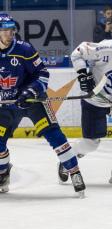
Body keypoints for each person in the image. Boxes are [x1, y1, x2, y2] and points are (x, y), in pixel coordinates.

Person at [0, 13, 85, 196]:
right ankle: (3, 171)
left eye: (11, 30)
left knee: (56, 136)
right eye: (5, 30)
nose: (9, 34)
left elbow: (43, 74)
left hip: (32, 102)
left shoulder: (24, 49)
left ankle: (75, 172)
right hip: (5, 106)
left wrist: (30, 90)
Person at [60, 20, 112, 184]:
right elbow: (77, 53)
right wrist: (83, 74)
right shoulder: (104, 47)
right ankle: (66, 158)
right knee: (91, 144)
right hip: (94, 100)